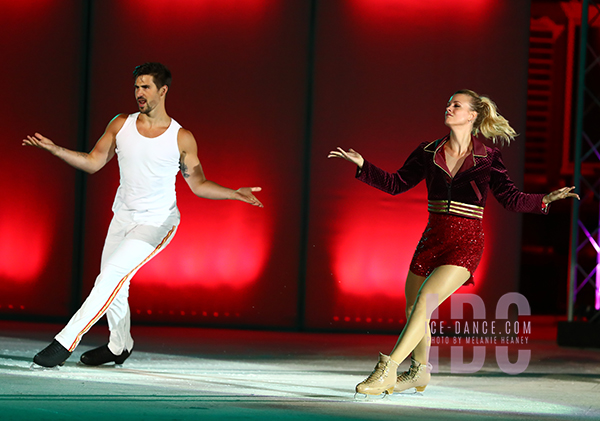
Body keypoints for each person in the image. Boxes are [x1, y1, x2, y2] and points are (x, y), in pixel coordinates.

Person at [328, 89, 579, 396]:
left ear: (472, 115)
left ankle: (388, 368)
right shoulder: (428, 151)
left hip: (466, 242)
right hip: (432, 238)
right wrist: (363, 165)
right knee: (413, 309)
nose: (448, 108)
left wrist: (545, 200)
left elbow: (511, 199)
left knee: (424, 302)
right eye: (448, 103)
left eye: (456, 105)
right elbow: (396, 184)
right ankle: (419, 372)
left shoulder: (488, 158)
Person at [23, 62, 263, 369]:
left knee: (109, 278)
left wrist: (234, 192)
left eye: (146, 87)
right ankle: (119, 345)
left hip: (157, 222)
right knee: (115, 284)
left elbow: (198, 183)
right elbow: (93, 162)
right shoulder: (120, 124)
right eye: (136, 86)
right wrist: (57, 150)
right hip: (122, 216)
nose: (139, 93)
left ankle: (64, 342)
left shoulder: (181, 137)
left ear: (163, 91)